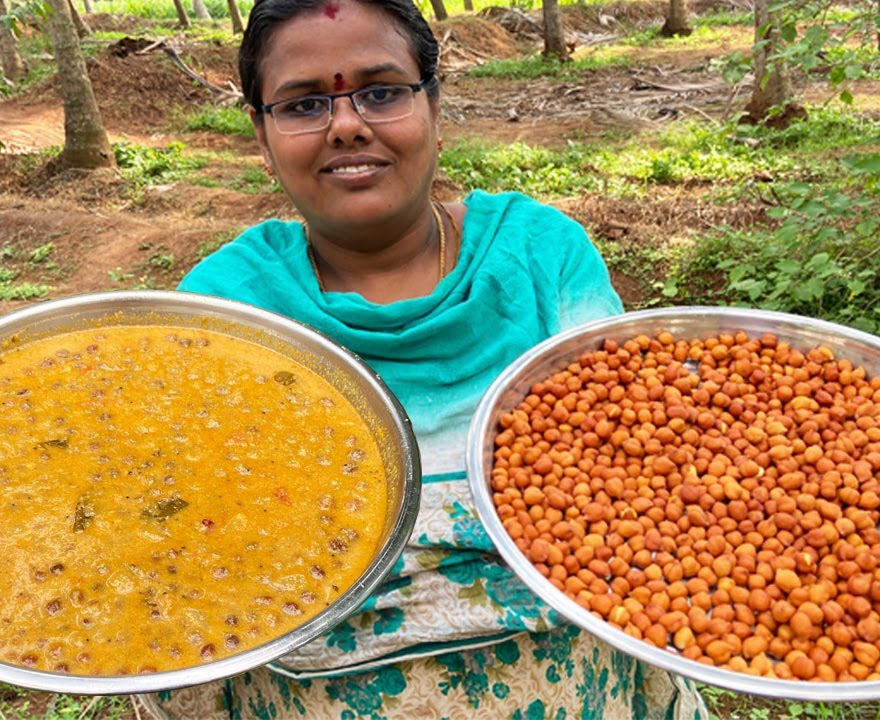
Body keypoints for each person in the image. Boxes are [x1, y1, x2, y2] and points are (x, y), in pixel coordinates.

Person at [143, 0, 709, 717]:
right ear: (262, 133)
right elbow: (176, 537)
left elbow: (648, 468)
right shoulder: (227, 310)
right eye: (304, 103)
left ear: (434, 106)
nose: (347, 124)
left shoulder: (540, 258)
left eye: (381, 92)